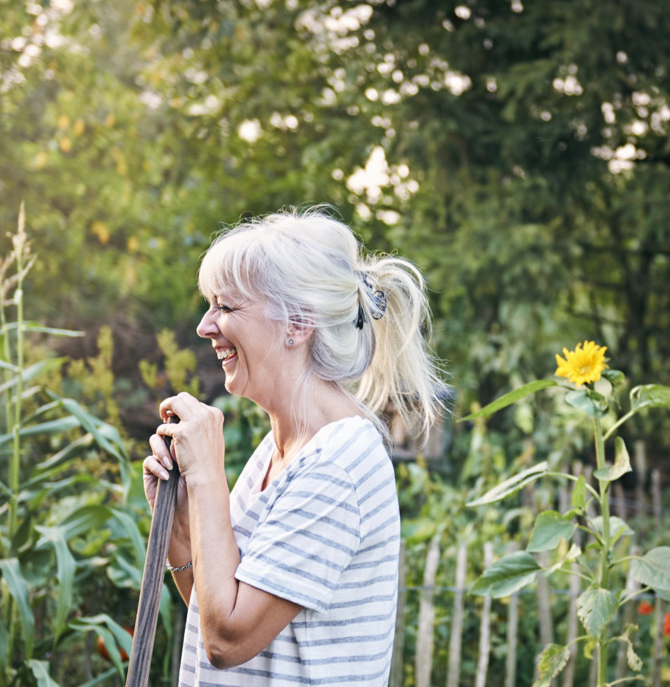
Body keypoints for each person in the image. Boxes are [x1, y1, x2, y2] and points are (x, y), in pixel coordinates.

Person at [142, 208, 445, 686]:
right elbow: (214, 607)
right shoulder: (280, 450)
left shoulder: (336, 466)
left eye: (226, 307)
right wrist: (182, 518)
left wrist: (207, 478)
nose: (205, 326)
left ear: (297, 323)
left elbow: (228, 641)